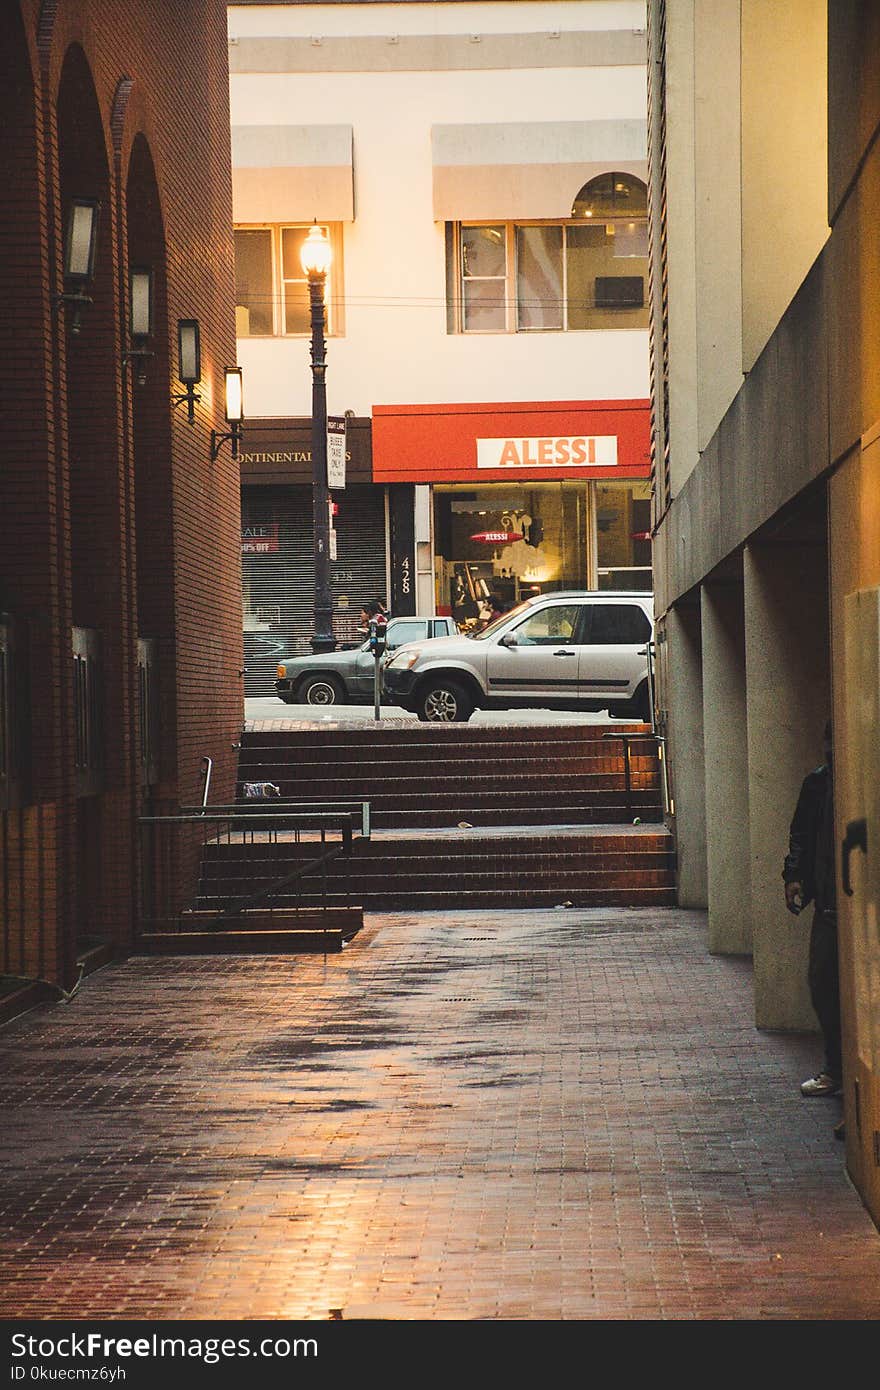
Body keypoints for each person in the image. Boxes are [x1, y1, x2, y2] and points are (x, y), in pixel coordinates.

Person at [782, 720, 842, 1099]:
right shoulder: (819, 783)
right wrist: (794, 876)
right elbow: (801, 835)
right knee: (822, 983)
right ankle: (838, 1068)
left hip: (850, 900)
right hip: (830, 903)